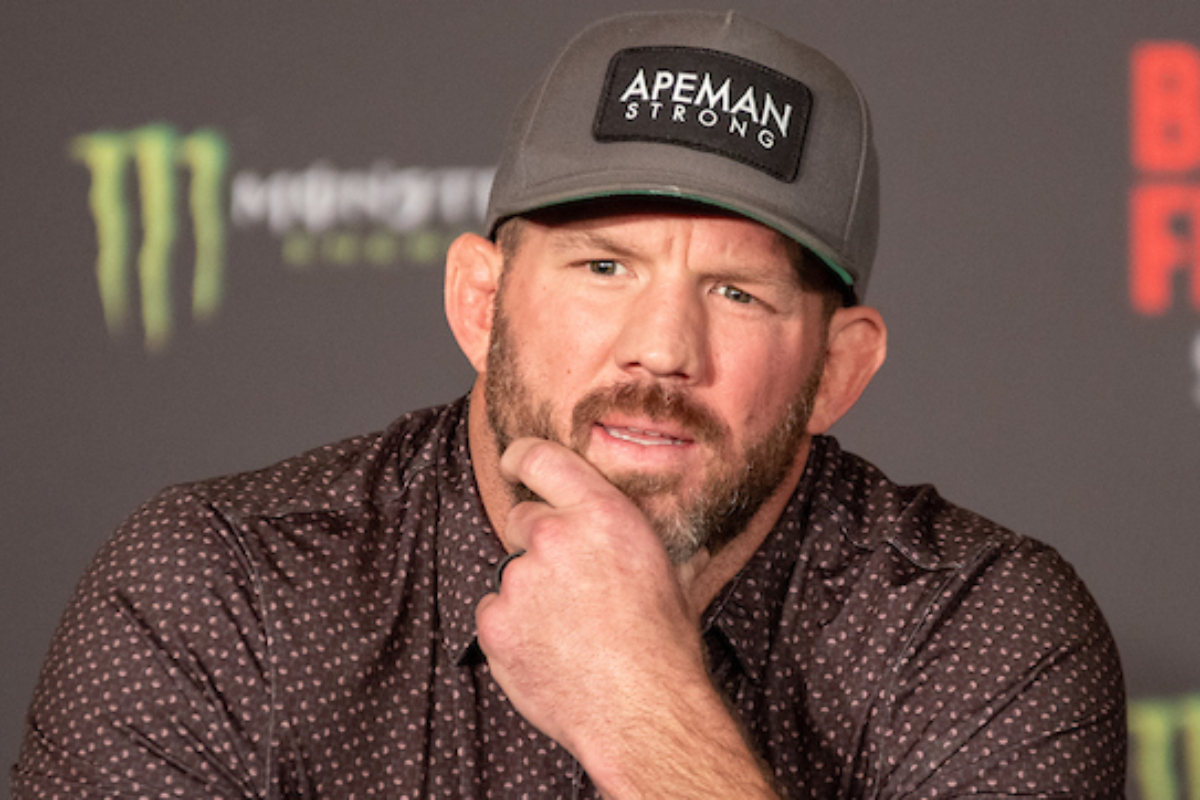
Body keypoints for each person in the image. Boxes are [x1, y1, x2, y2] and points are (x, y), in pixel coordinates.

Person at [13, 10, 1125, 798]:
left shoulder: (980, 629)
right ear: (480, 301)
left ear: (838, 369)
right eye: (603, 267)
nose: (662, 349)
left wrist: (640, 705)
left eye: (736, 292)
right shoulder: (222, 589)